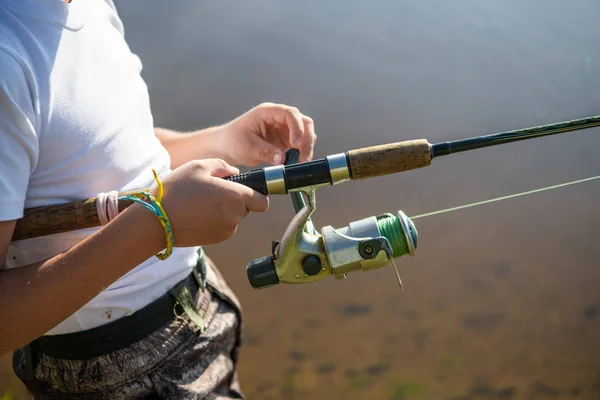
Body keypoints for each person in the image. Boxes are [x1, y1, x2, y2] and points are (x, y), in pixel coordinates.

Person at [0, 0, 316, 398]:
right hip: (115, 367)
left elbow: (113, 154)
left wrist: (224, 140)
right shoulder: (6, 60)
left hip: (200, 311)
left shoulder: (92, 7)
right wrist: (157, 225)